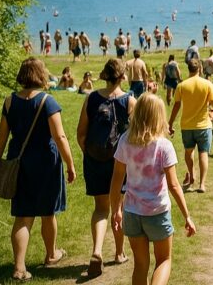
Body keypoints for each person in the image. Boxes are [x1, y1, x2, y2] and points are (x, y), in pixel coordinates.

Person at [0, 57, 76, 281]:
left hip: (19, 163)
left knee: (23, 216)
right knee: (48, 212)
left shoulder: (9, 101)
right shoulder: (47, 101)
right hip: (46, 164)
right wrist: (70, 164)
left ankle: (19, 268)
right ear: (41, 75)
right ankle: (51, 255)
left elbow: (2, 134)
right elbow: (59, 136)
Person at [110, 93, 196, 285]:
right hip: (157, 213)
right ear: (160, 117)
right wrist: (187, 216)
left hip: (132, 212)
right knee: (164, 260)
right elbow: (174, 185)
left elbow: (116, 179)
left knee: (140, 265)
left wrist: (116, 209)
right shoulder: (164, 146)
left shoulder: (125, 140)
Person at [77, 59, 137, 277]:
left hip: (95, 160)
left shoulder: (91, 99)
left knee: (101, 208)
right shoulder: (130, 101)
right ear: (122, 76)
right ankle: (119, 252)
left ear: (105, 75)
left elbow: (80, 134)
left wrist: (90, 154)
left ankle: (97, 251)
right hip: (119, 162)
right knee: (118, 207)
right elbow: (138, 135)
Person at [168, 59, 213, 193]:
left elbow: (176, 106)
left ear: (188, 69)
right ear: (200, 69)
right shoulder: (207, 84)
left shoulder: (182, 86)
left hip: (187, 126)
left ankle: (191, 176)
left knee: (188, 152)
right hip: (204, 125)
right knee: (203, 154)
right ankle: (202, 184)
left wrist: (170, 123)